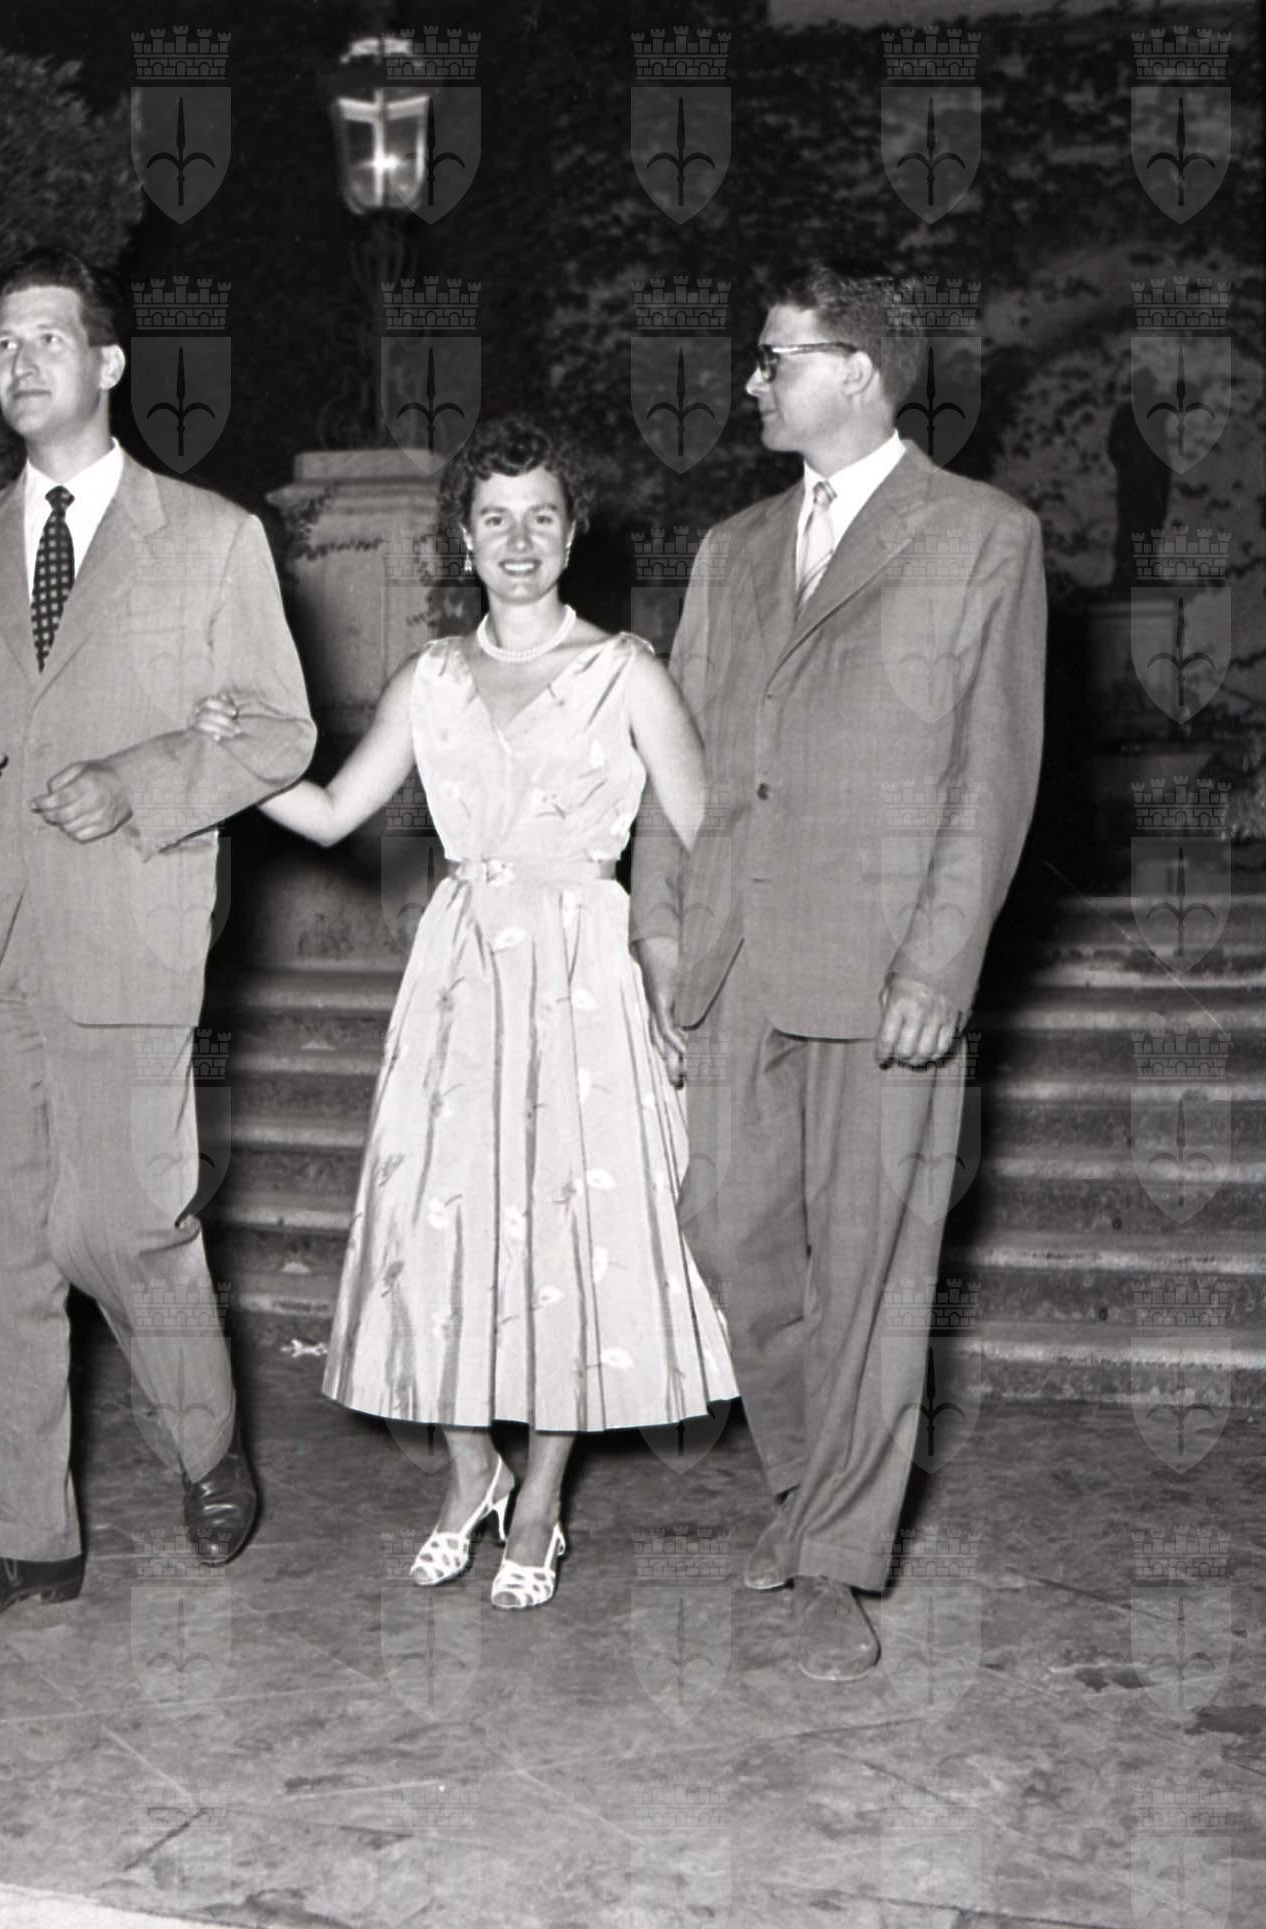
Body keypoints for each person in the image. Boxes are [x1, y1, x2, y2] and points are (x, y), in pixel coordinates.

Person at [193, 415, 735, 1609]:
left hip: (585, 975)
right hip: (460, 972)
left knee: (568, 1233)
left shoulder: (628, 672)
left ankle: (539, 1500)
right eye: (495, 519)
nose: (519, 541)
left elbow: (711, 838)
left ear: (574, 532)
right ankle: (469, 1468)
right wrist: (238, 759)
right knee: (436, 1219)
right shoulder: (431, 677)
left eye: (542, 516)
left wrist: (685, 973)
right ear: (463, 537)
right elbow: (330, 813)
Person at [0, 247, 315, 1626]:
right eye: (3, 344)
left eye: (47, 339)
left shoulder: (213, 537)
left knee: (123, 1223)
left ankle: (207, 1442)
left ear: (109, 363)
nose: (21, 363)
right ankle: (21, 1540)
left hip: (125, 927)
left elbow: (280, 730)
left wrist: (139, 780)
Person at [630, 264, 1046, 1679]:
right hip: (738, 958)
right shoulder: (732, 547)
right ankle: (806, 1490)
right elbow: (675, 756)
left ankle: (837, 1555)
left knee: (873, 1272)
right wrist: (661, 928)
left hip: (884, 973)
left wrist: (943, 962)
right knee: (732, 1236)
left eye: (777, 358)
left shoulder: (981, 536)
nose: (752, 381)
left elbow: (993, 775)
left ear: (859, 370)